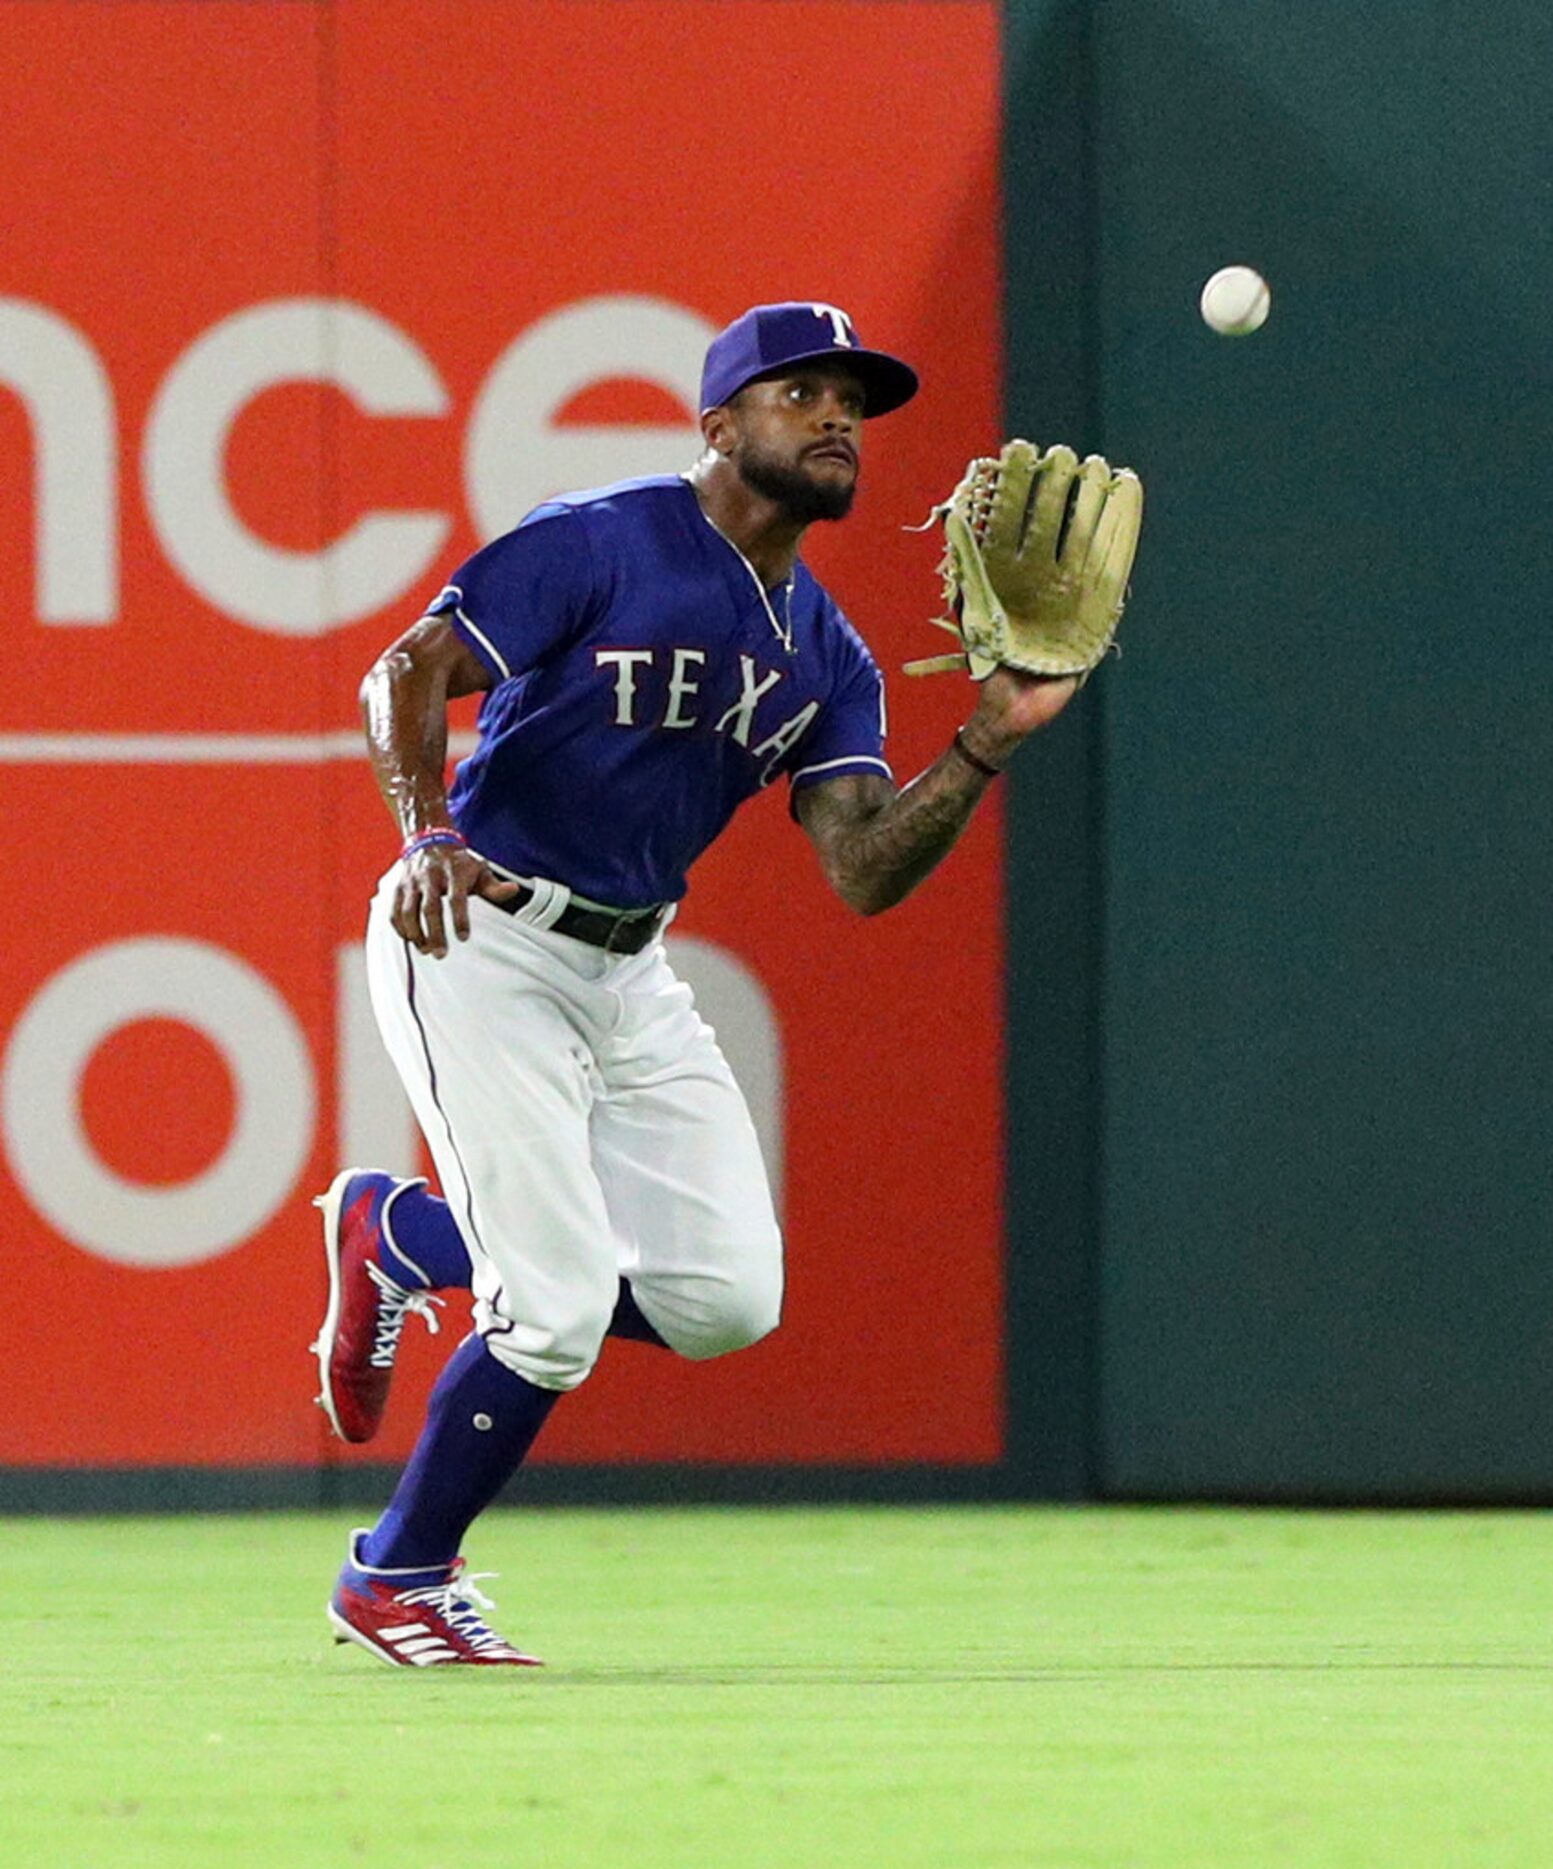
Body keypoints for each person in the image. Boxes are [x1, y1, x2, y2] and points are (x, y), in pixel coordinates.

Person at [316, 301, 1077, 1666]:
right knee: (546, 1310)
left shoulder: (828, 650)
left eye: (853, 400)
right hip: (477, 932)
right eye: (803, 393)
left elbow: (856, 866)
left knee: (724, 1298)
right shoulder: (603, 536)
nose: (839, 417)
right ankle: (397, 1573)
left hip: (629, 965)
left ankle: (404, 1236)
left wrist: (981, 739)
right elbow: (407, 671)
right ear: (718, 424)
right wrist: (425, 829)